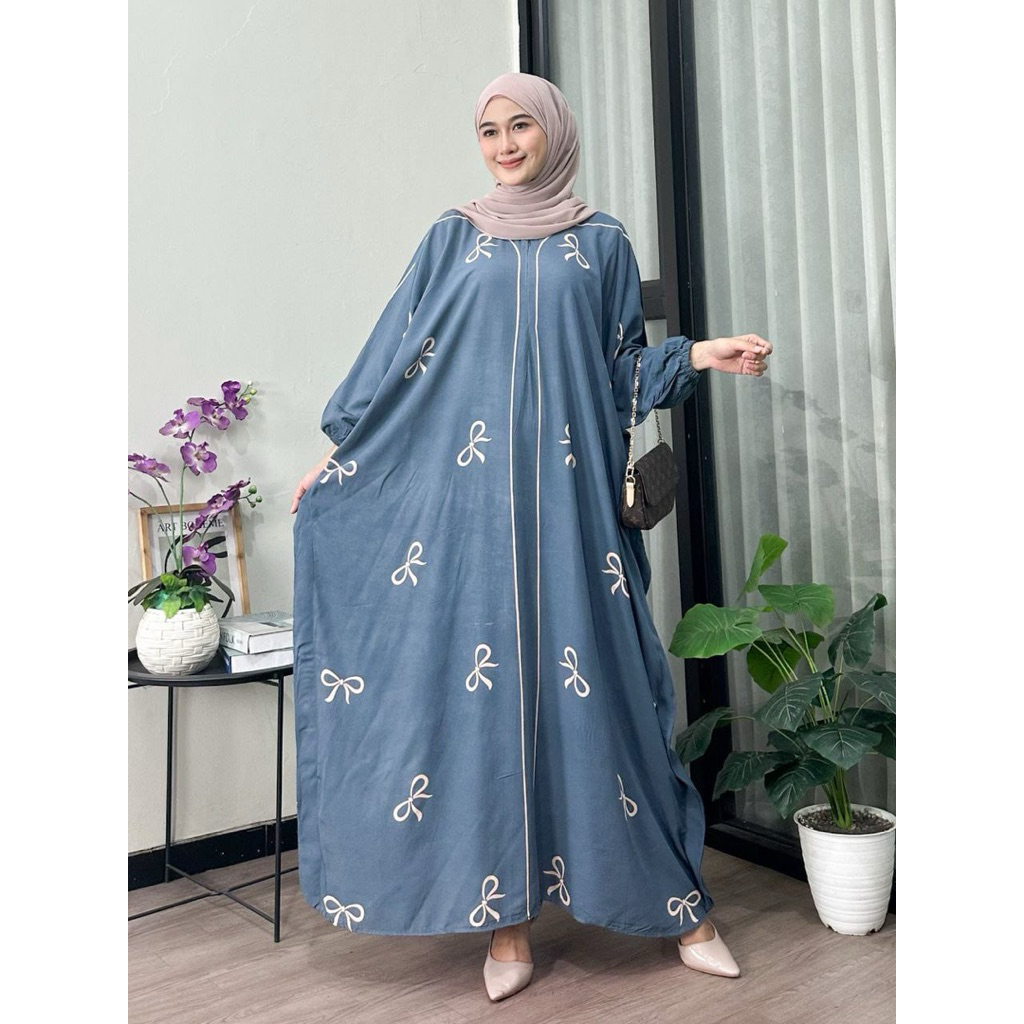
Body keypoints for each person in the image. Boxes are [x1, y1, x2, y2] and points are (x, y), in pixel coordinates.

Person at [290, 72, 771, 1003]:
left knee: (612, 698)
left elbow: (622, 370)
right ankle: (504, 923)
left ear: (554, 132)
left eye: (521, 126)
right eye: (489, 130)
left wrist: (701, 354)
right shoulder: (452, 237)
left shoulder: (602, 240)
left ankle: (682, 911)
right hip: (470, 520)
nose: (505, 144)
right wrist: (340, 455)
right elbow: (398, 357)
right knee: (485, 706)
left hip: (572, 510)